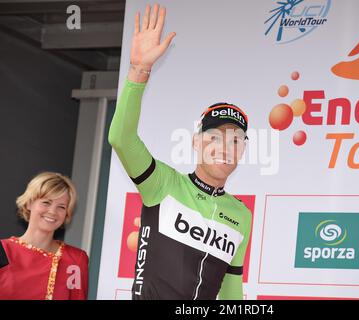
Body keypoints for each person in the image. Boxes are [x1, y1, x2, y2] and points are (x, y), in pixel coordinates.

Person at [109, 3, 252, 300]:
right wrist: (139, 70)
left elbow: (231, 289)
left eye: (236, 140)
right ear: (196, 142)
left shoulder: (241, 215)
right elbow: (121, 138)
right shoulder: (163, 184)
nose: (226, 147)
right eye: (216, 137)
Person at [0, 172, 89, 300]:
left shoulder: (76, 259)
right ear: (29, 203)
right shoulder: (3, 249)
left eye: (61, 207)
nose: (53, 212)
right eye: (46, 203)